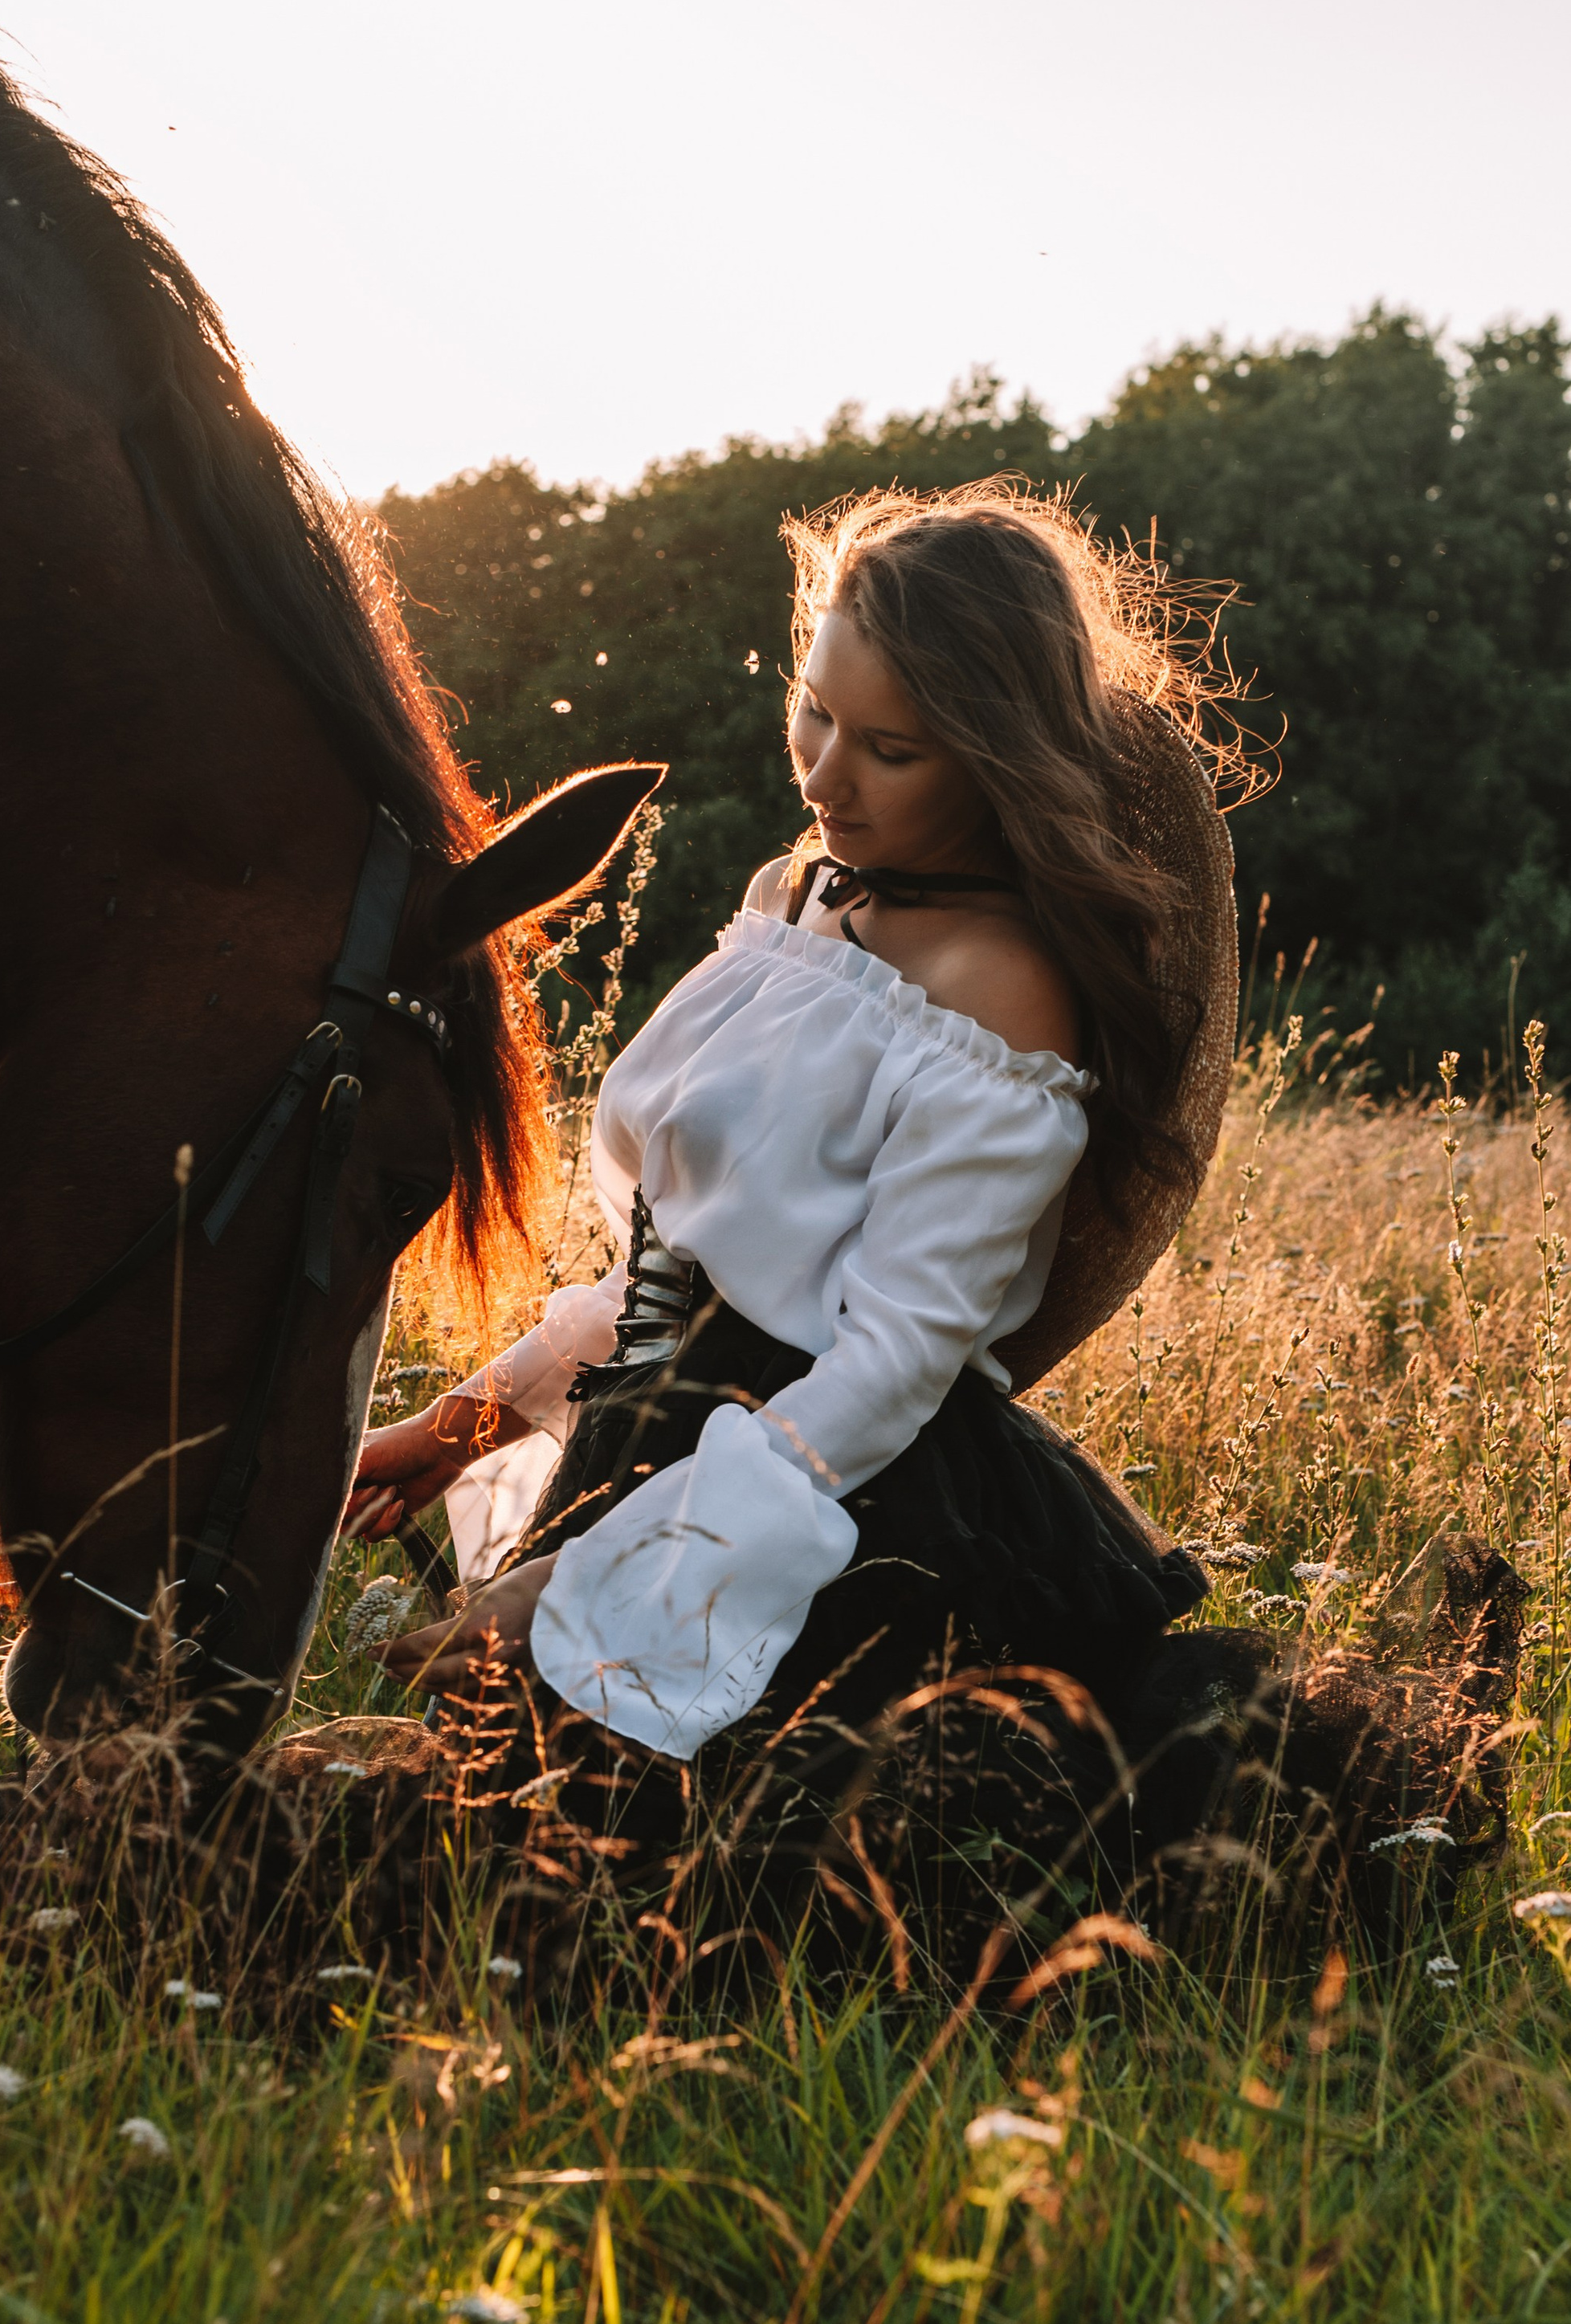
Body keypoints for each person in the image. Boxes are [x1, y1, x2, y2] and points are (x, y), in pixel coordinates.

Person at [347, 483, 1238, 1776]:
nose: (824, 772)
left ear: (996, 758)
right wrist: (455, 1432)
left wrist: (599, 1582)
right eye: (815, 711)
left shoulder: (1003, 993)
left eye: (891, 748)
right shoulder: (793, 895)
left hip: (831, 1508)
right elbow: (682, 1282)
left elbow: (884, 1369)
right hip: (652, 1450)